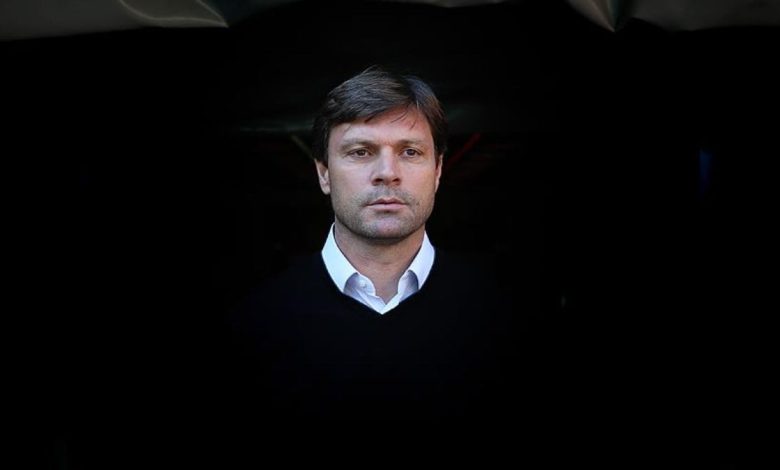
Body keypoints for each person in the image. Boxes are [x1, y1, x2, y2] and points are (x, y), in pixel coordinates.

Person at [227, 66, 526, 421]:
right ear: (323, 173)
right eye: (361, 152)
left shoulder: (503, 321)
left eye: (410, 152)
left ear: (437, 171)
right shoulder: (252, 325)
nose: (387, 172)